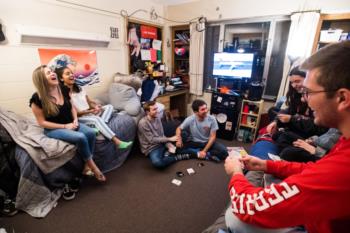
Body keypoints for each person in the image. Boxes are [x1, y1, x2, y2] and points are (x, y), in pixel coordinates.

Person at [224, 41, 350, 233]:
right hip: (316, 218)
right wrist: (266, 165)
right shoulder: (344, 143)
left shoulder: (343, 169)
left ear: (342, 98)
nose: (303, 98)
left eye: (308, 92)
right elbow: (315, 169)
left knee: (233, 217)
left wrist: (236, 173)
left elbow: (247, 205)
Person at [30, 65, 106, 182]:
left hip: (71, 122)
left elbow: (72, 108)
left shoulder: (64, 89)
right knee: (80, 137)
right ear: (41, 79)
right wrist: (65, 126)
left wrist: (75, 119)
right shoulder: (36, 99)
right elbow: (42, 122)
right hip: (53, 129)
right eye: (48, 73)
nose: (52, 73)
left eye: (51, 71)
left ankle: (85, 166)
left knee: (90, 133)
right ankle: (93, 167)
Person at [55, 66, 132, 149]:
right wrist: (90, 111)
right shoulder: (63, 94)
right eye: (67, 74)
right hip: (79, 117)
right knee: (96, 119)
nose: (71, 75)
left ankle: (99, 124)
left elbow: (89, 102)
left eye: (71, 73)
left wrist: (96, 107)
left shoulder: (80, 88)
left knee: (109, 107)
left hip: (89, 114)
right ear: (61, 79)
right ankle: (117, 142)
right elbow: (76, 113)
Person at [137, 101, 194, 168]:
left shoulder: (157, 118)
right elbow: (151, 140)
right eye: (154, 109)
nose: (157, 111)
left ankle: (169, 153)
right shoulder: (143, 123)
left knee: (183, 137)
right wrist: (169, 139)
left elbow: (162, 134)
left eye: (157, 108)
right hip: (152, 147)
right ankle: (177, 157)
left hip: (162, 142)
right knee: (158, 162)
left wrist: (168, 144)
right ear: (147, 112)